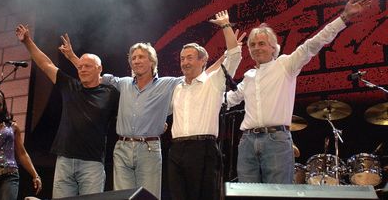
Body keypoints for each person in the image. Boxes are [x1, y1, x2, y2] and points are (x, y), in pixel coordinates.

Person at [58, 11, 237, 199]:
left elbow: (202, 75)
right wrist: (72, 57)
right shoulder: (122, 83)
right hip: (122, 149)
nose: (136, 60)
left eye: (141, 57)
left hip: (149, 149)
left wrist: (225, 55)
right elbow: (92, 74)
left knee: (149, 197)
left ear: (152, 61)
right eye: (133, 58)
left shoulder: (169, 84)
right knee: (123, 197)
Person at [225, 0, 372, 183]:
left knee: (279, 195)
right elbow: (227, 100)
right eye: (252, 45)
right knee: (246, 194)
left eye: (261, 43)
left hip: (276, 140)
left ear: (273, 47)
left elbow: (314, 43)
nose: (256, 48)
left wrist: (344, 17)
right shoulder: (248, 77)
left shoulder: (285, 64)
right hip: (247, 142)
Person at [15, 25, 119, 198]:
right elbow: (45, 63)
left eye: (87, 66)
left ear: (99, 69)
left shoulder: (111, 94)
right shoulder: (69, 85)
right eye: (80, 66)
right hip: (65, 159)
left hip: (92, 163)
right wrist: (27, 41)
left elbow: (127, 111)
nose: (82, 69)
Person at [168, 10, 242, 200]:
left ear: (203, 61)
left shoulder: (213, 82)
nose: (184, 62)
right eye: (182, 59)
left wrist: (226, 26)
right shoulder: (177, 88)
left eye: (190, 58)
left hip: (203, 149)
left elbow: (233, 56)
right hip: (176, 150)